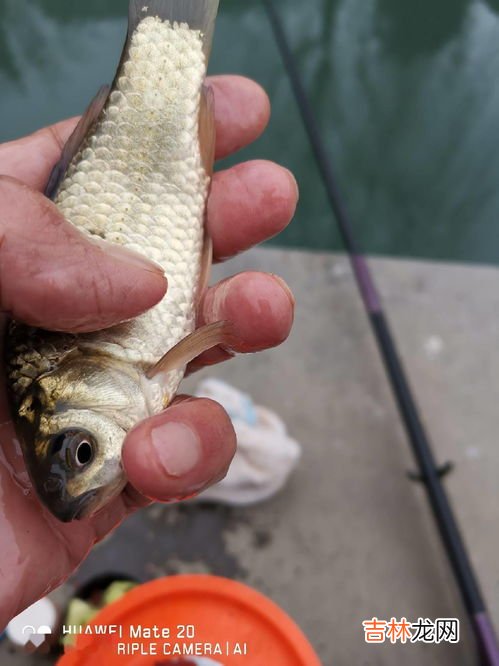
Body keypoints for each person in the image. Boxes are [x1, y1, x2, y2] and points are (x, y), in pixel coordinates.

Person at [0, 75, 298, 628]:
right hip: (150, 201)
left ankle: (164, 45)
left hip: (131, 199)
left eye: (84, 449)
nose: (93, 468)